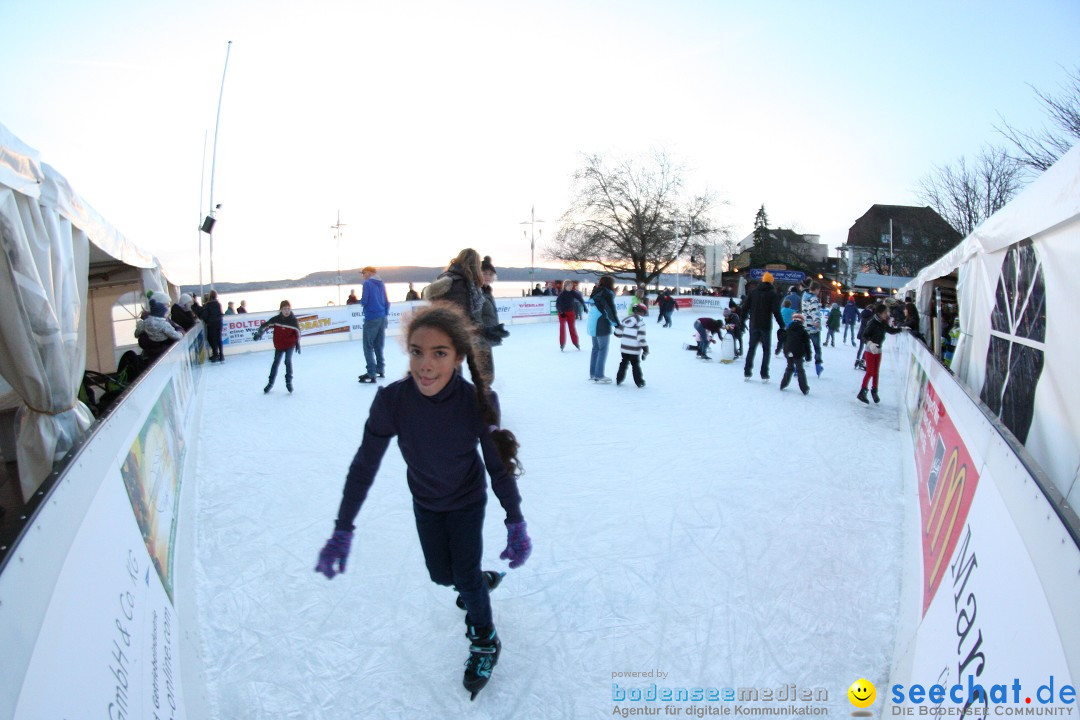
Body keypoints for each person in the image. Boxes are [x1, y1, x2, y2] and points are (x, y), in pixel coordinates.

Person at [314, 303, 530, 700]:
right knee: (442, 576)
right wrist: (343, 527)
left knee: (461, 574)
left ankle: (485, 639)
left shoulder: (476, 402)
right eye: (417, 352)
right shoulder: (393, 401)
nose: (425, 365)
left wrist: (514, 519)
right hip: (426, 501)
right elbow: (364, 465)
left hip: (466, 501)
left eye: (439, 353)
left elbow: (497, 467)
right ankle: (478, 584)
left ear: (459, 357)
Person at [741, 272, 786, 382]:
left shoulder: (753, 292)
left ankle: (747, 371)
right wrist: (782, 325)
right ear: (771, 282)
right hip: (765, 325)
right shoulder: (772, 294)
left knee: (752, 348)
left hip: (754, 324)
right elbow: (776, 311)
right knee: (766, 350)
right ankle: (764, 373)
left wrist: (742, 321)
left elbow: (745, 307)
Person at [857, 302, 904, 404]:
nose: (887, 314)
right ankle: (862, 391)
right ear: (879, 313)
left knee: (876, 372)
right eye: (885, 312)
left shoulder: (883, 322)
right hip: (870, 350)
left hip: (878, 349)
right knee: (870, 371)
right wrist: (870, 343)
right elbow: (864, 335)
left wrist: (902, 329)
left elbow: (890, 330)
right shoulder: (872, 322)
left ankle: (874, 391)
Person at [424, 249, 486, 326]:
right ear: (475, 266)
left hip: (441, 329)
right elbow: (460, 317)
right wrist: (483, 330)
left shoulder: (448, 277)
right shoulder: (459, 284)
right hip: (452, 332)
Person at [253, 300, 301, 393]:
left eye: (288, 309)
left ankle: (288, 382)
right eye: (284, 309)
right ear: (280, 310)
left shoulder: (293, 320)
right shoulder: (276, 319)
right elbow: (265, 326)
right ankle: (270, 383)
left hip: (290, 344)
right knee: (276, 363)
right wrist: (259, 334)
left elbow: (298, 332)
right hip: (279, 345)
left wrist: (297, 343)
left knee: (287, 361)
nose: (286, 311)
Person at [476, 256, 509, 380]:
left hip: (487, 336)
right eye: (484, 273)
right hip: (480, 338)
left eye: (490, 274)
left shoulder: (486, 291)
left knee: (487, 371)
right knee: (484, 372)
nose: (488, 276)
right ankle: (481, 395)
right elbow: (476, 317)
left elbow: (488, 314)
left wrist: (495, 328)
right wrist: (486, 331)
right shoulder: (477, 292)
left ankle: (484, 393)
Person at [358, 266, 390, 384]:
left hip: (371, 317)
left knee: (368, 346)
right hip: (382, 317)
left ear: (370, 273)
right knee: (378, 345)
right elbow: (387, 302)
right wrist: (385, 315)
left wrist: (361, 302)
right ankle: (380, 369)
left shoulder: (367, 284)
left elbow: (365, 300)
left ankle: (371, 373)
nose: (363, 275)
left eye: (364, 273)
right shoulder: (381, 283)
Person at [586, 275, 620, 383]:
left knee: (596, 349)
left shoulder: (596, 293)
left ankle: (593, 374)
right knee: (602, 349)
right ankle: (599, 375)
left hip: (593, 323)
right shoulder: (606, 294)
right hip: (601, 324)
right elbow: (609, 310)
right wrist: (617, 324)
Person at [135, 292, 183, 358]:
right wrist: (179, 330)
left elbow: (137, 334)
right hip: (161, 357)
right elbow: (144, 343)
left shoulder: (148, 321)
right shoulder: (161, 322)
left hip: (163, 355)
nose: (168, 307)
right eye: (166, 305)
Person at [613, 303, 649, 387]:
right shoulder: (641, 323)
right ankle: (639, 382)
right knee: (635, 365)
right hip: (634, 350)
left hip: (624, 348)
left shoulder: (625, 320)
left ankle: (619, 379)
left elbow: (617, 333)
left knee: (623, 363)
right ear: (642, 312)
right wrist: (645, 349)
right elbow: (641, 339)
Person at [779, 313, 812, 395]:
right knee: (800, 369)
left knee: (789, 367)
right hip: (798, 352)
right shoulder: (803, 331)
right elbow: (807, 344)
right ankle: (804, 388)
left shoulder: (788, 329)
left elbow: (782, 339)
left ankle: (783, 384)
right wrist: (808, 356)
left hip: (788, 351)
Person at [555, 279, 585, 350]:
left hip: (570, 312)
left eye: (571, 285)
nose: (571, 287)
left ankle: (575, 342)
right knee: (562, 327)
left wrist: (584, 306)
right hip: (562, 312)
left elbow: (580, 298)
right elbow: (557, 304)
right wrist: (561, 312)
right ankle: (562, 344)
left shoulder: (573, 292)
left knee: (572, 327)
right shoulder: (562, 294)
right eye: (569, 285)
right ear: (565, 286)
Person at [802, 281, 824, 376]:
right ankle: (818, 365)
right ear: (816, 289)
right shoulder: (814, 298)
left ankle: (797, 366)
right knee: (817, 347)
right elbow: (814, 310)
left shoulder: (804, 296)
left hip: (805, 326)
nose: (818, 292)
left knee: (803, 347)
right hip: (813, 327)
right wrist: (817, 321)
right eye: (818, 290)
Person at [203, 290, 225, 362]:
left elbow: (205, 315)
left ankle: (215, 354)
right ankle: (221, 355)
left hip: (211, 324)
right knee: (219, 338)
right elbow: (221, 313)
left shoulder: (208, 305)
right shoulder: (218, 304)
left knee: (212, 339)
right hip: (219, 323)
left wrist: (206, 320)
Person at [854, 303, 876, 370]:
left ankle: (857, 360)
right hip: (867, 334)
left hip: (862, 333)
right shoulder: (871, 316)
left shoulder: (863, 313)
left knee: (861, 347)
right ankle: (863, 360)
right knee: (867, 348)